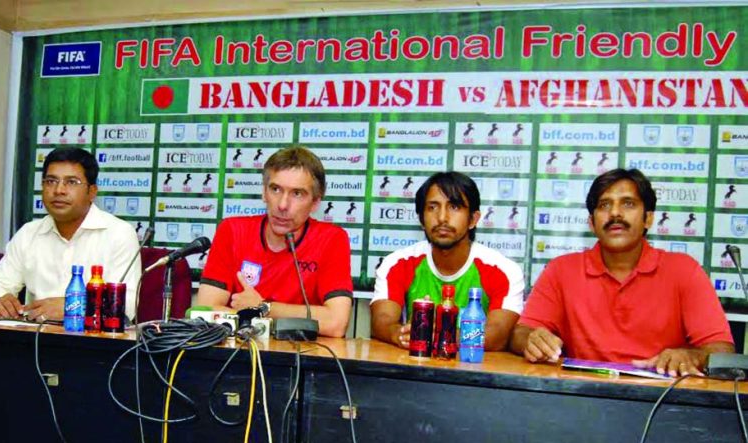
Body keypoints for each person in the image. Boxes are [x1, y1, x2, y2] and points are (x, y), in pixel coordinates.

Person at [511, 169, 734, 376]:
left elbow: (721, 351)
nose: (615, 213)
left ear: (648, 218)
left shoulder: (684, 270)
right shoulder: (561, 270)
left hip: (662, 400)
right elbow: (521, 333)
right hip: (583, 397)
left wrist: (692, 356)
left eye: (628, 204)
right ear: (592, 222)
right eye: (605, 205)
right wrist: (532, 339)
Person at [195, 146, 353, 337]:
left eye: (297, 194)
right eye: (276, 189)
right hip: (238, 353)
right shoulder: (232, 230)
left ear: (315, 203)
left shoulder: (332, 239)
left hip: (299, 358)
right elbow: (205, 310)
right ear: (264, 193)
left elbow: (336, 323)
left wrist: (262, 307)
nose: (282, 205)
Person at [0, 148, 141, 322]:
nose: (59, 190)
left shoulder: (118, 233)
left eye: (71, 182)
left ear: (92, 192)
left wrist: (73, 306)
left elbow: (127, 305)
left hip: (94, 342)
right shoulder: (29, 233)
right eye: (51, 181)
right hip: (35, 340)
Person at [370, 172, 525, 350]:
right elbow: (382, 321)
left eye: (454, 207)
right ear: (421, 219)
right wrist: (398, 334)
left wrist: (433, 335)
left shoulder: (504, 270)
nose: (442, 217)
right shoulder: (397, 263)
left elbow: (497, 335)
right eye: (432, 207)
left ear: (473, 219)